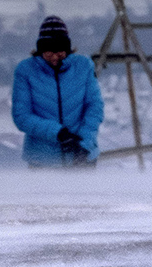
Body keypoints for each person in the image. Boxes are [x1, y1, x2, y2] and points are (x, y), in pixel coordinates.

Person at [12, 16, 103, 167]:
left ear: (68, 49)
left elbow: (94, 107)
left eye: (60, 52)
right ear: (40, 50)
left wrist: (84, 143)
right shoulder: (26, 70)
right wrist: (58, 133)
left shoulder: (84, 66)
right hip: (42, 160)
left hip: (82, 157)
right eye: (49, 53)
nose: (54, 58)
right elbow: (22, 116)